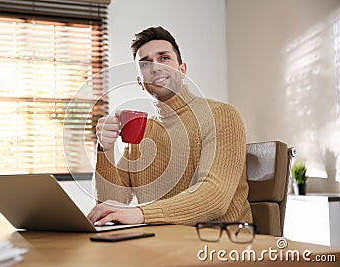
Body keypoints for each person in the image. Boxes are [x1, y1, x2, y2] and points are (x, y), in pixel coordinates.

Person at [87, 26, 252, 226]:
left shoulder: (222, 115)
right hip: (160, 242)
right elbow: (110, 205)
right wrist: (105, 149)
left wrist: (141, 214)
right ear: (141, 82)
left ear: (183, 70)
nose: (155, 67)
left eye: (164, 58)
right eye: (146, 64)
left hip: (220, 244)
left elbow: (214, 197)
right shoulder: (141, 131)